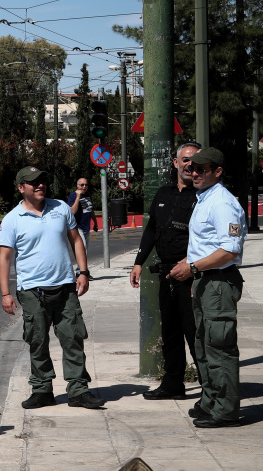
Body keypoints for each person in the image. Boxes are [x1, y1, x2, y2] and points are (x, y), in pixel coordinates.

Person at [0, 166, 106, 409]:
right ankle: (42, 389)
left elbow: (76, 240)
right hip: (32, 291)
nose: (40, 186)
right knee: (37, 340)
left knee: (73, 338)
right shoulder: (12, 219)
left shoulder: (60, 209)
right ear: (20, 188)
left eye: (43, 181)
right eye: (33, 182)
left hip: (65, 286)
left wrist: (83, 271)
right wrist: (6, 293)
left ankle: (78, 390)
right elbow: (5, 258)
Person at [167, 147, 246, 428]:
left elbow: (229, 250)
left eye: (202, 168)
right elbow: (206, 243)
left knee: (219, 346)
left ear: (218, 171)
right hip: (205, 281)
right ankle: (211, 400)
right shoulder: (204, 199)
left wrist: (193, 268)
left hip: (219, 282)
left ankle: (226, 410)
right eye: (191, 166)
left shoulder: (222, 203)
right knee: (203, 344)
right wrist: (190, 264)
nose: (194, 171)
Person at [129, 141, 201, 400]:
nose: (189, 166)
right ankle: (173, 384)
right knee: (170, 331)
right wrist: (139, 262)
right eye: (185, 160)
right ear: (175, 163)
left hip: (191, 275)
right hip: (166, 274)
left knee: (194, 332)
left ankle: (209, 387)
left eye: (194, 161)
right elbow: (151, 230)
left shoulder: (203, 196)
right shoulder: (163, 194)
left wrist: (190, 264)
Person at [65, 177, 95, 249]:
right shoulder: (73, 196)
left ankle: (84, 260)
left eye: (86, 185)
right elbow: (72, 211)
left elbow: (90, 210)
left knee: (85, 249)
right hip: (77, 227)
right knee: (82, 247)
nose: (84, 187)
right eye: (82, 185)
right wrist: (78, 197)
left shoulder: (88, 195)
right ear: (77, 185)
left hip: (86, 227)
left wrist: (95, 223)